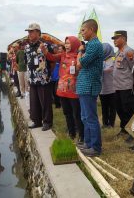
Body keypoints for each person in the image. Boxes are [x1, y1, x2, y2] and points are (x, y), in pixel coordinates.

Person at [45, 37, 84, 142]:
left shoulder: (79, 56)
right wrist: (45, 51)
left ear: (75, 44)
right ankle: (71, 133)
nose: (66, 45)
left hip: (74, 90)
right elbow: (51, 57)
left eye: (69, 43)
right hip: (62, 90)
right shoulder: (62, 55)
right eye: (65, 43)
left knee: (77, 114)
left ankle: (81, 135)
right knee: (67, 113)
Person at [76, 19, 104, 157]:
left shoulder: (94, 45)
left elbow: (81, 64)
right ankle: (88, 142)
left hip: (89, 85)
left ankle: (96, 147)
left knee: (90, 117)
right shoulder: (90, 45)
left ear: (91, 30)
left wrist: (79, 53)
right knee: (84, 117)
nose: (82, 33)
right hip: (84, 85)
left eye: (83, 30)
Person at [24, 23, 54, 131]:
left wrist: (47, 74)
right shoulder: (27, 47)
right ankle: (37, 121)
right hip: (32, 79)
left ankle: (47, 122)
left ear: (38, 32)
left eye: (31, 31)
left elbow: (52, 61)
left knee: (45, 102)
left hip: (43, 79)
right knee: (34, 102)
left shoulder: (46, 45)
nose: (29, 34)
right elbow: (26, 61)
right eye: (29, 32)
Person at [112, 30, 134, 140]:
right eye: (114, 39)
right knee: (119, 109)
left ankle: (131, 132)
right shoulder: (117, 52)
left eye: (117, 38)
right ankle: (124, 128)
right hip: (117, 86)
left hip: (126, 86)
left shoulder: (129, 51)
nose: (115, 41)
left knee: (128, 109)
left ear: (123, 38)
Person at [99, 43, 116, 128]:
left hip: (112, 88)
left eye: (103, 50)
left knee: (112, 107)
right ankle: (105, 123)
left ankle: (111, 124)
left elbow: (112, 70)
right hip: (102, 88)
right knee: (104, 107)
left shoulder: (113, 59)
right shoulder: (100, 60)